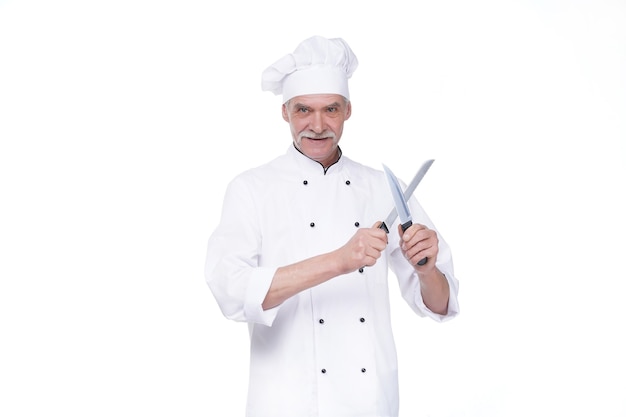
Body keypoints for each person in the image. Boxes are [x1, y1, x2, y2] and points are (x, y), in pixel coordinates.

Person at [204, 35, 460, 417]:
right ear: (285, 112)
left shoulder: (380, 187)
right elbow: (231, 291)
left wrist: (426, 270)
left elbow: (440, 305)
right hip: (287, 401)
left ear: (348, 110)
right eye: (304, 110)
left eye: (331, 109)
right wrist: (339, 260)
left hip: (369, 400)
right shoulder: (252, 189)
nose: (318, 125)